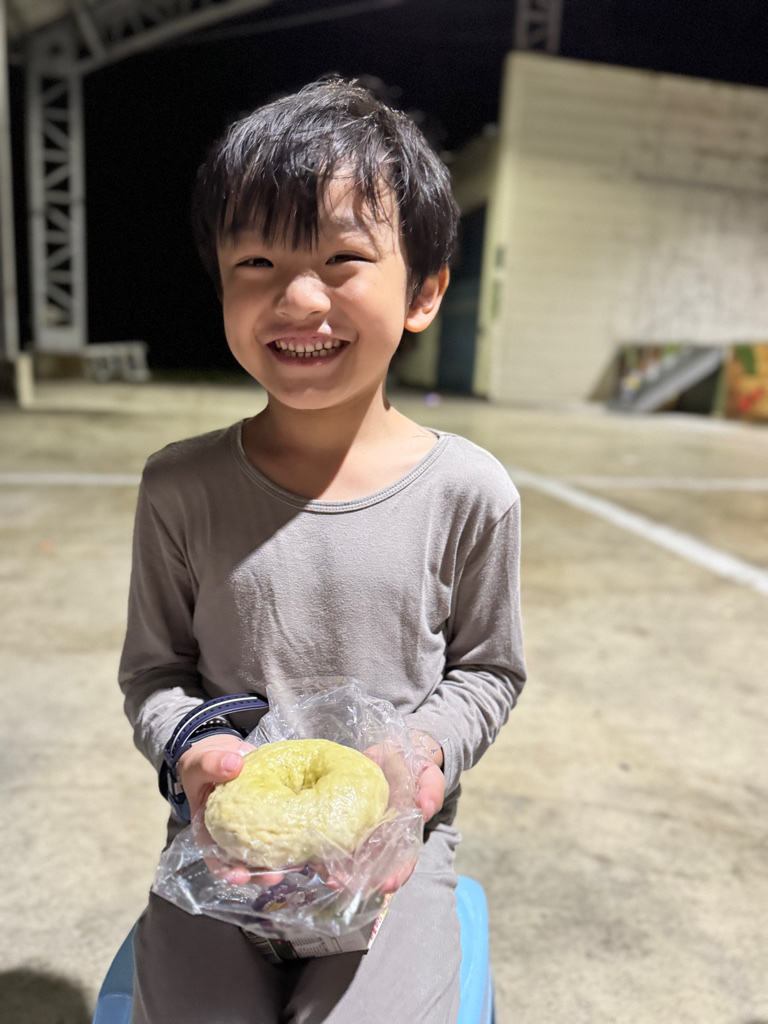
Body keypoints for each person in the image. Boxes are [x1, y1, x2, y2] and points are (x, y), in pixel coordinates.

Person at [119, 77, 526, 1024]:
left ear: (424, 291)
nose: (299, 298)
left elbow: (488, 671)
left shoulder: (470, 493)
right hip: (222, 852)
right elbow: (154, 673)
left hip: (393, 853)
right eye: (256, 260)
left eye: (343, 259)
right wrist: (195, 749)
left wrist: (423, 752)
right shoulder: (179, 487)